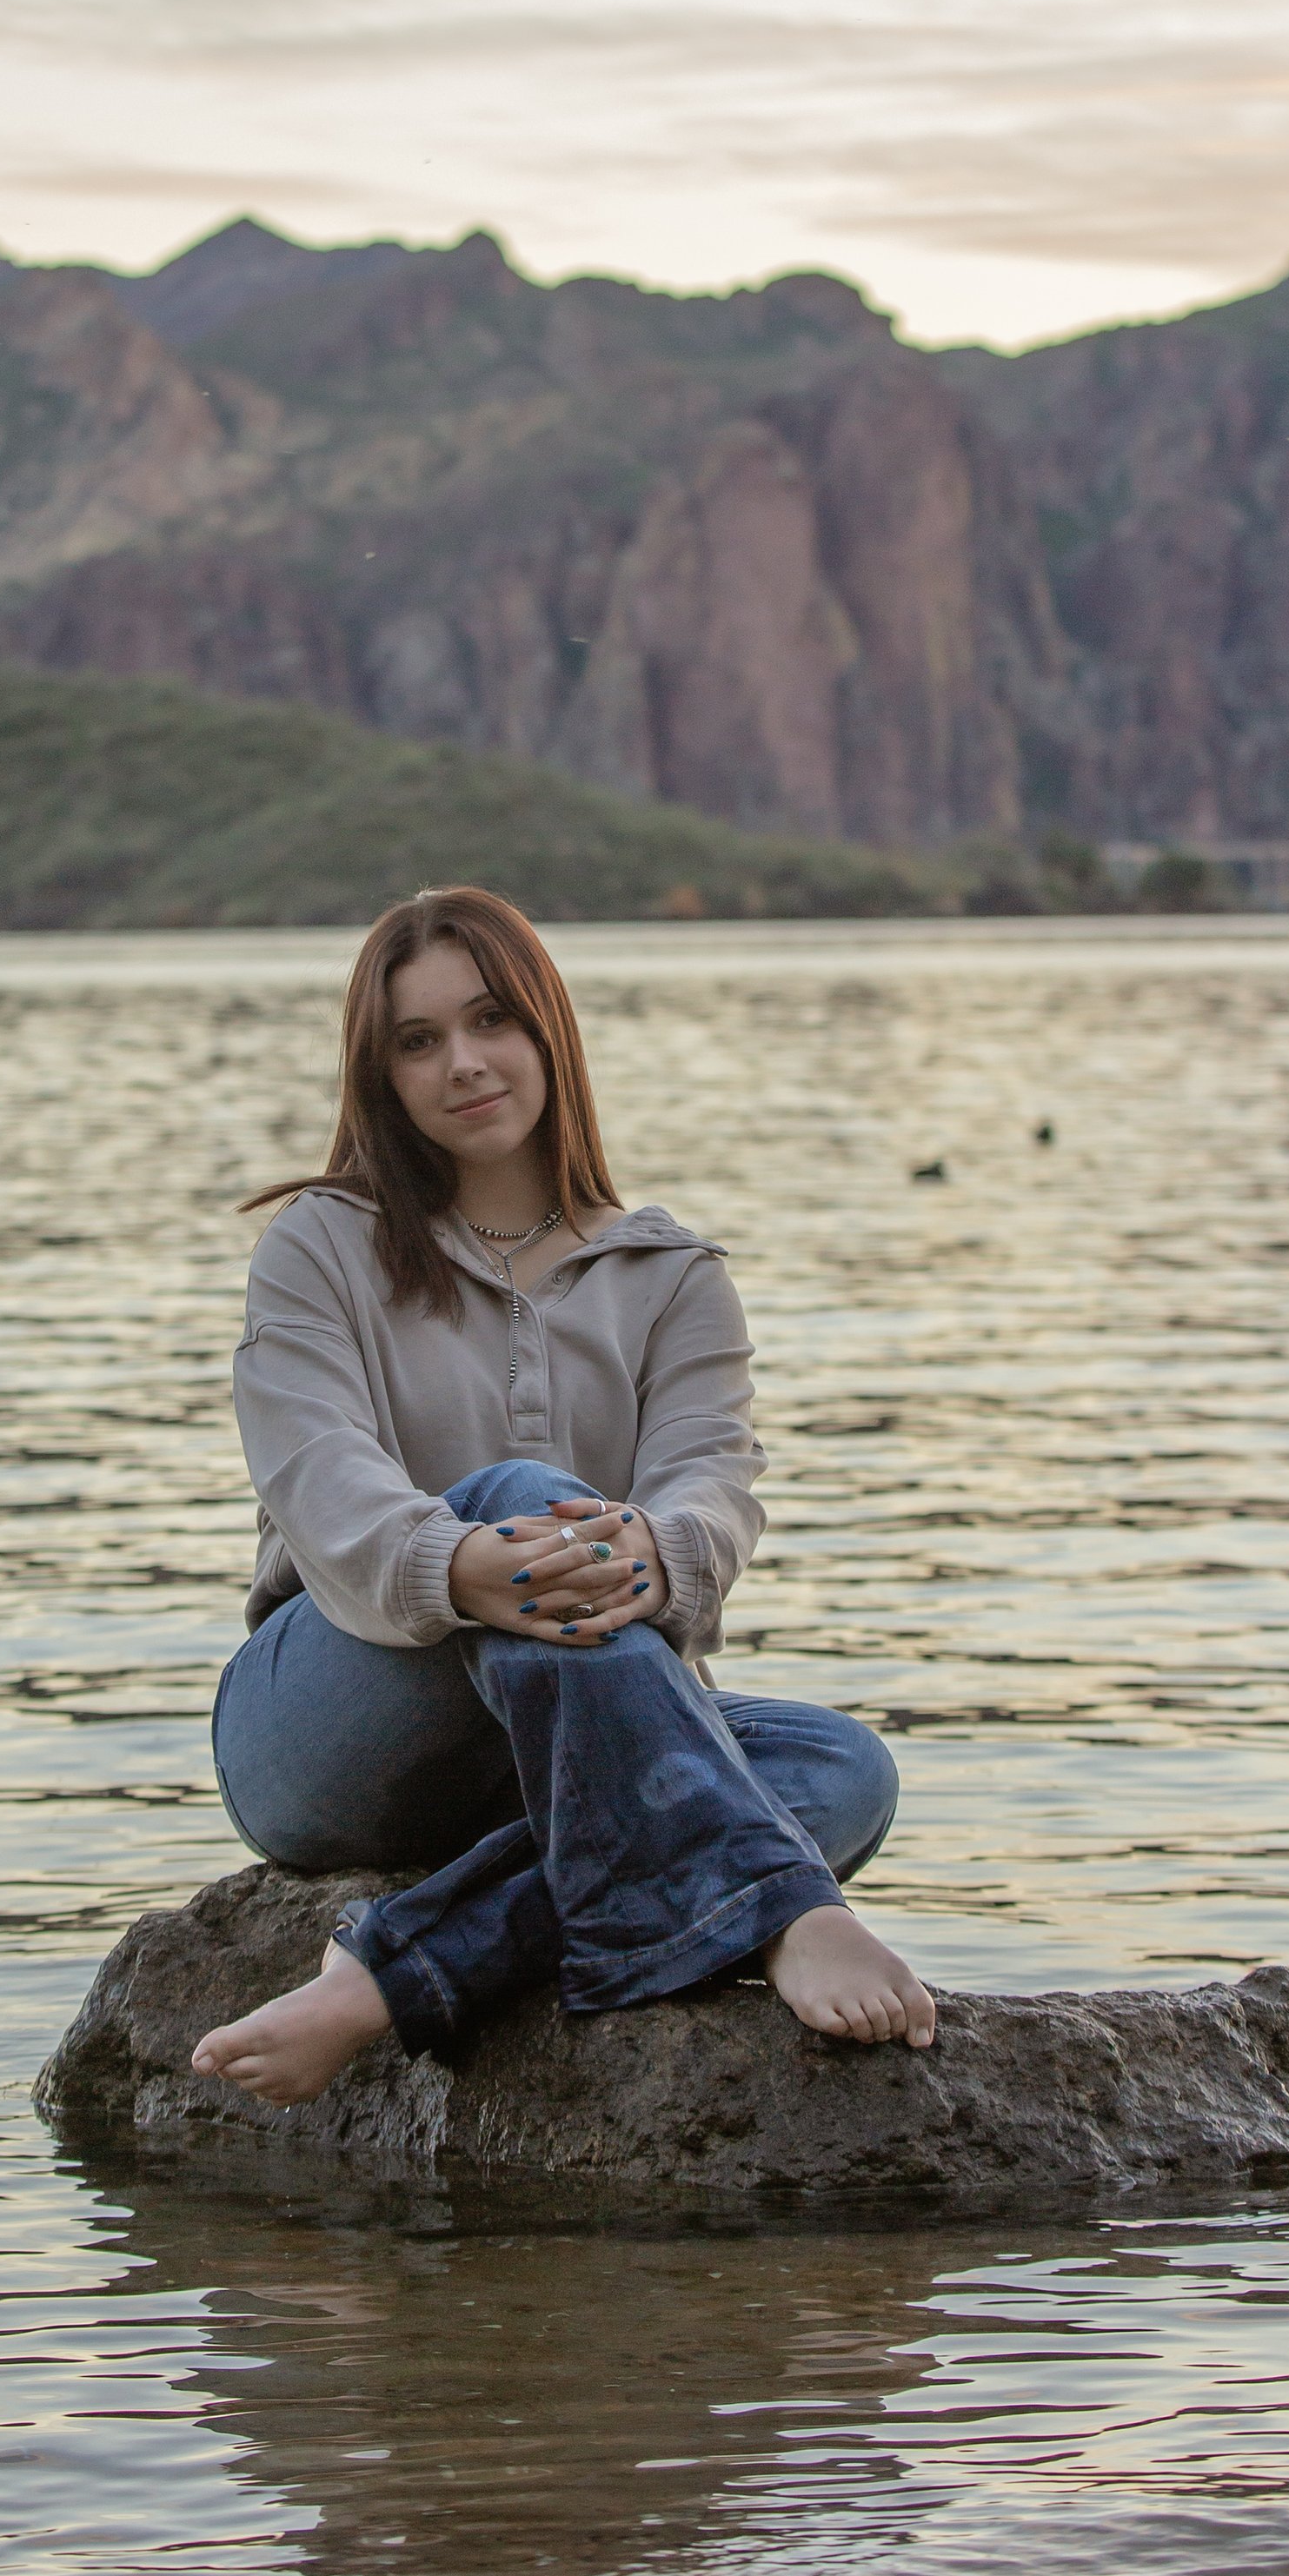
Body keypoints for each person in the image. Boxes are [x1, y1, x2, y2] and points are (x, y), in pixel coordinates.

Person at [192, 886, 935, 2105]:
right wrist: (458, 1567)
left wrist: (660, 1550)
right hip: (336, 1723)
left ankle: (389, 1974)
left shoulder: (671, 1276)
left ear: (549, 1031)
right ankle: (792, 1908)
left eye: (491, 1020)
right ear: (379, 1074)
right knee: (531, 1500)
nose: (464, 1063)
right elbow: (317, 1474)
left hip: (567, 1747)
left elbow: (715, 1485)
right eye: (417, 1041)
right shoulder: (319, 1245)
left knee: (847, 1770)